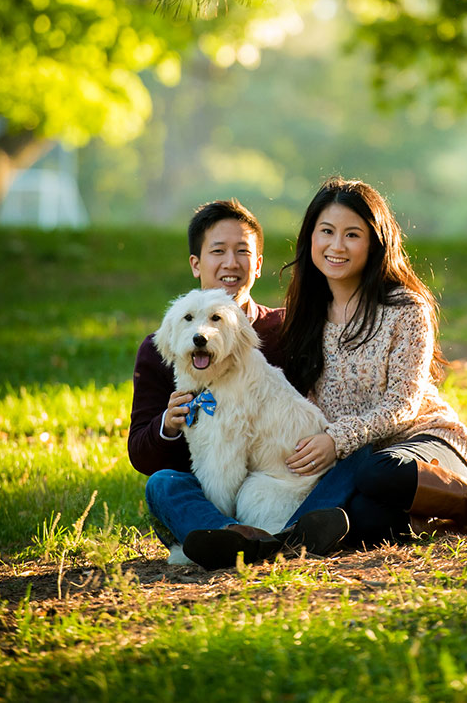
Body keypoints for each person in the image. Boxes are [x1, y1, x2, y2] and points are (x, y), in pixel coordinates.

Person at [278, 176, 467, 547]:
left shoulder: (404, 308)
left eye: (352, 235)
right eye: (326, 231)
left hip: (422, 446)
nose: (336, 246)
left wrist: (337, 438)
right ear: (310, 237)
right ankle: (437, 518)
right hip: (357, 466)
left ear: (376, 243)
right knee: (361, 517)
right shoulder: (303, 316)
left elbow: (403, 405)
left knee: (378, 473)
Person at [128, 199, 367, 570]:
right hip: (207, 491)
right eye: (218, 251)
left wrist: (333, 440)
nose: (231, 263)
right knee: (161, 485)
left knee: (361, 463)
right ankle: (239, 536)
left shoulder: (293, 329)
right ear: (196, 263)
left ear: (257, 264)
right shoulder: (159, 350)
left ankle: (230, 542)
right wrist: (168, 425)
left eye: (243, 252)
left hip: (287, 478)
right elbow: (141, 453)